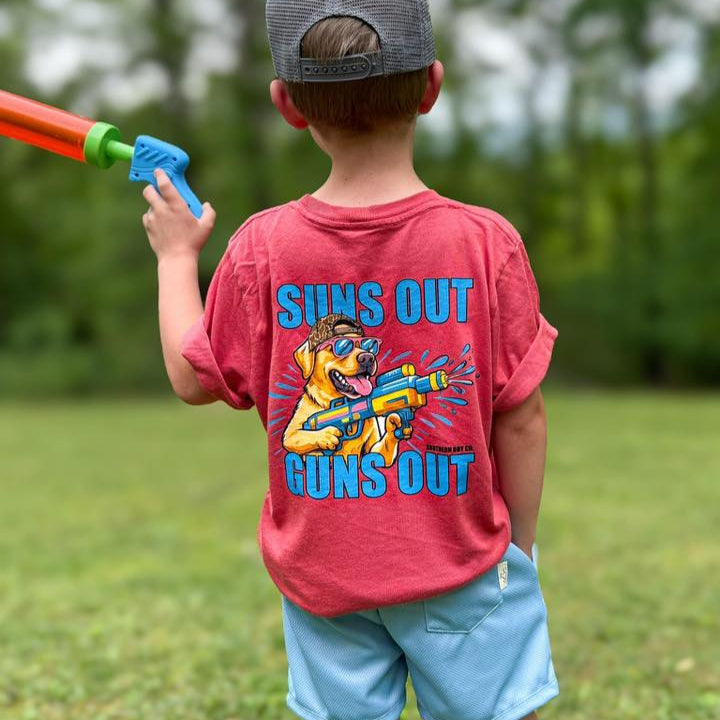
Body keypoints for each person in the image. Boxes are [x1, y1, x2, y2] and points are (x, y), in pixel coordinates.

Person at [141, 1, 560, 719]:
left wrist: (177, 258)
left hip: (323, 580)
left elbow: (190, 376)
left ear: (287, 104)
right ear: (431, 87)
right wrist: (514, 549)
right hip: (463, 564)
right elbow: (520, 417)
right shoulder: (486, 243)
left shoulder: (260, 249)